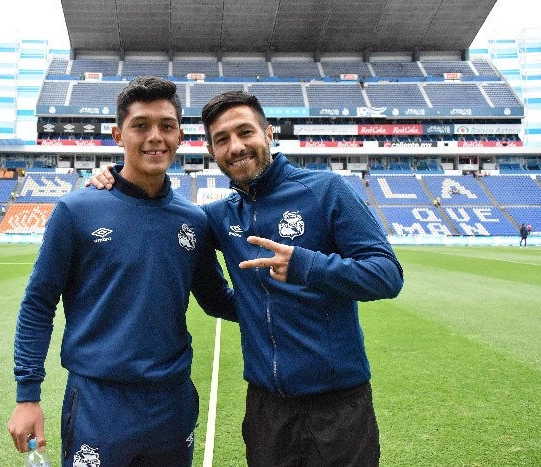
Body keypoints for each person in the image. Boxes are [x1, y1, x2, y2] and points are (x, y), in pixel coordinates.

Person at [90, 90, 404, 466]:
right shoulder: (218, 217)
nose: (236, 146)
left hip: (337, 403)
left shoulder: (324, 191)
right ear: (211, 152)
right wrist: (112, 178)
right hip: (266, 406)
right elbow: (184, 251)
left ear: (268, 134)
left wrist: (305, 266)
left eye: (245, 133)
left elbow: (387, 274)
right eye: (222, 139)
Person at [8, 76, 236, 466]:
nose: (155, 137)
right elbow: (38, 303)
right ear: (118, 134)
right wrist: (27, 395)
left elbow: (218, 300)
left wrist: (289, 296)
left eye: (166, 126)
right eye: (141, 125)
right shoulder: (76, 210)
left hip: (171, 402)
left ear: (180, 135)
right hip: (100, 402)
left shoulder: (193, 221)